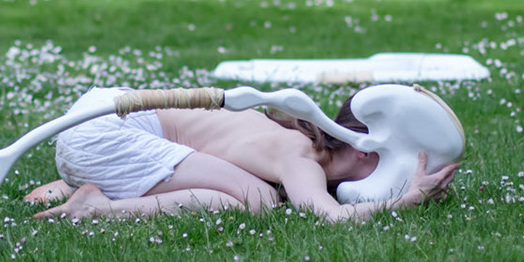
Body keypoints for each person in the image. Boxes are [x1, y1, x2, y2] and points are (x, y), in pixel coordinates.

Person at [24, 91, 457, 222]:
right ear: (367, 152)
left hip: (98, 120)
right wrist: (407, 201)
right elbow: (333, 219)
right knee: (256, 202)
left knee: (245, 191)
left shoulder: (283, 142)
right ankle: (99, 208)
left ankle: (75, 183)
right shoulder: (299, 155)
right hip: (107, 130)